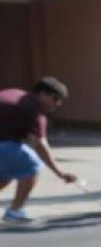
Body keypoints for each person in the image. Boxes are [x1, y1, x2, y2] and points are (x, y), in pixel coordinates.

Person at [0, 78, 77, 223]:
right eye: (56, 99)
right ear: (43, 94)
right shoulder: (34, 109)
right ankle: (14, 211)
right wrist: (59, 172)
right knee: (32, 165)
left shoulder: (15, 93)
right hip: (3, 143)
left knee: (6, 172)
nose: (57, 104)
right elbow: (39, 145)